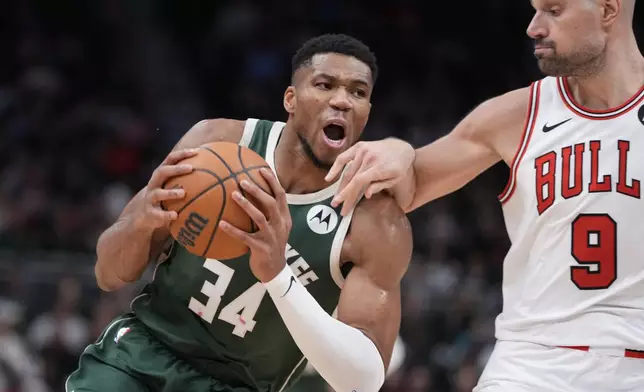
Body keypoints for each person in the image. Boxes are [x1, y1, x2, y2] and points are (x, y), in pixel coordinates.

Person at [65, 34, 412, 392]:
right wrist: (139, 226)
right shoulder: (214, 143)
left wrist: (278, 276)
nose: (341, 101)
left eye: (358, 92)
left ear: (368, 111)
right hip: (140, 356)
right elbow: (108, 274)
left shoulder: (376, 222)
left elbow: (363, 380)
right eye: (325, 85)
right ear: (290, 99)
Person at [326, 1, 644, 391]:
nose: (534, 27)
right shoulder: (519, 115)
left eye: (553, 11)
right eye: (535, 10)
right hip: (530, 365)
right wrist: (400, 151)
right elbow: (411, 184)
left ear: (608, 11)